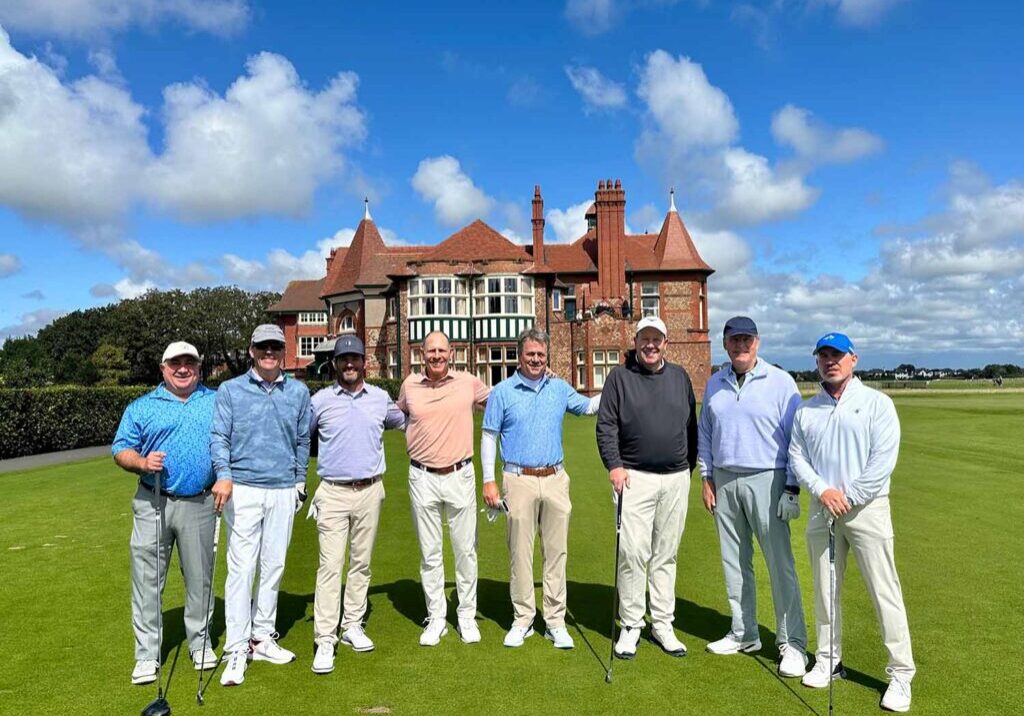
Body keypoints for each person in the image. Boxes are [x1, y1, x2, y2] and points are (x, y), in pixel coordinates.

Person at [789, 332, 915, 713]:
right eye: (823, 355)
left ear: (853, 359)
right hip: (822, 509)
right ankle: (829, 658)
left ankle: (900, 674)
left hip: (867, 509)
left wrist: (850, 495)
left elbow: (883, 459)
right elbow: (798, 458)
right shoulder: (806, 411)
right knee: (825, 590)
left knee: (884, 591)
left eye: (837, 355)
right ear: (816, 361)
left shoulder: (877, 403)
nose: (830, 361)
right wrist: (823, 490)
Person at [697, 316, 807, 677]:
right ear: (725, 344)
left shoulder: (781, 382)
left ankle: (792, 643)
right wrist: (707, 478)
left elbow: (796, 440)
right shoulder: (715, 382)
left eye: (747, 340)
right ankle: (744, 632)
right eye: (734, 340)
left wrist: (791, 487)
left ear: (757, 343)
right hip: (725, 480)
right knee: (734, 562)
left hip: (768, 478)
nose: (740, 346)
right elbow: (706, 434)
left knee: (779, 564)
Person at [481, 328, 600, 650]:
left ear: (548, 357)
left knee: (556, 552)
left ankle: (555, 621)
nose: (536, 359)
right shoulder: (503, 392)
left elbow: (589, 408)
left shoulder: (559, 388)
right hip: (517, 479)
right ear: (520, 355)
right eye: (530, 354)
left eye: (541, 355)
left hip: (555, 479)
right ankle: (522, 619)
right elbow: (489, 435)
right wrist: (488, 480)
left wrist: (620, 387)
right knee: (520, 553)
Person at [210, 324, 311, 687]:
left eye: (275, 347)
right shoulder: (231, 390)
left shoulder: (298, 392)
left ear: (283, 351)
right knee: (241, 568)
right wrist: (223, 474)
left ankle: (262, 636)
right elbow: (219, 437)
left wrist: (300, 480)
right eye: (263, 346)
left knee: (274, 565)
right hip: (244, 488)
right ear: (251, 350)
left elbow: (302, 440)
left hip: (283, 488)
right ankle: (236, 646)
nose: (269, 352)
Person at [113, 341, 218, 685]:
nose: (183, 368)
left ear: (199, 367)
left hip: (199, 502)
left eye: (190, 362)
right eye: (176, 363)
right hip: (152, 501)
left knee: (200, 578)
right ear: (163, 368)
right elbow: (120, 449)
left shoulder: (215, 401)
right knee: (146, 580)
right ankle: (146, 655)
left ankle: (200, 643)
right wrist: (142, 462)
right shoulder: (142, 407)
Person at [596, 316, 696, 659]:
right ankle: (631, 624)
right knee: (633, 553)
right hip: (633, 478)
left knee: (666, 554)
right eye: (644, 339)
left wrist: (688, 468)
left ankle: (663, 624)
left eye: (656, 339)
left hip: (676, 478)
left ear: (665, 343)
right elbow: (606, 424)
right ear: (635, 342)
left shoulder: (680, 377)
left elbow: (690, 427)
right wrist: (615, 465)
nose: (650, 345)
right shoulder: (619, 378)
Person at [309, 336, 406, 674]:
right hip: (333, 492)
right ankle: (324, 637)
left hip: (370, 490)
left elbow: (408, 420)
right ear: (334, 363)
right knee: (331, 566)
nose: (349, 364)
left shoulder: (381, 399)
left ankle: (352, 624)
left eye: (355, 358)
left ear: (364, 362)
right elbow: (303, 438)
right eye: (343, 359)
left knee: (361, 563)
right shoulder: (319, 400)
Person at [397, 330, 489, 646]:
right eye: (430, 351)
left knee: (465, 549)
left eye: (441, 350)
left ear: (451, 353)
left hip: (460, 473)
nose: (436, 355)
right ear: (422, 354)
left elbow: (502, 404)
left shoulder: (468, 383)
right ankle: (436, 617)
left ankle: (466, 616)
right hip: (421, 476)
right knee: (430, 552)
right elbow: (398, 415)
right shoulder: (409, 385)